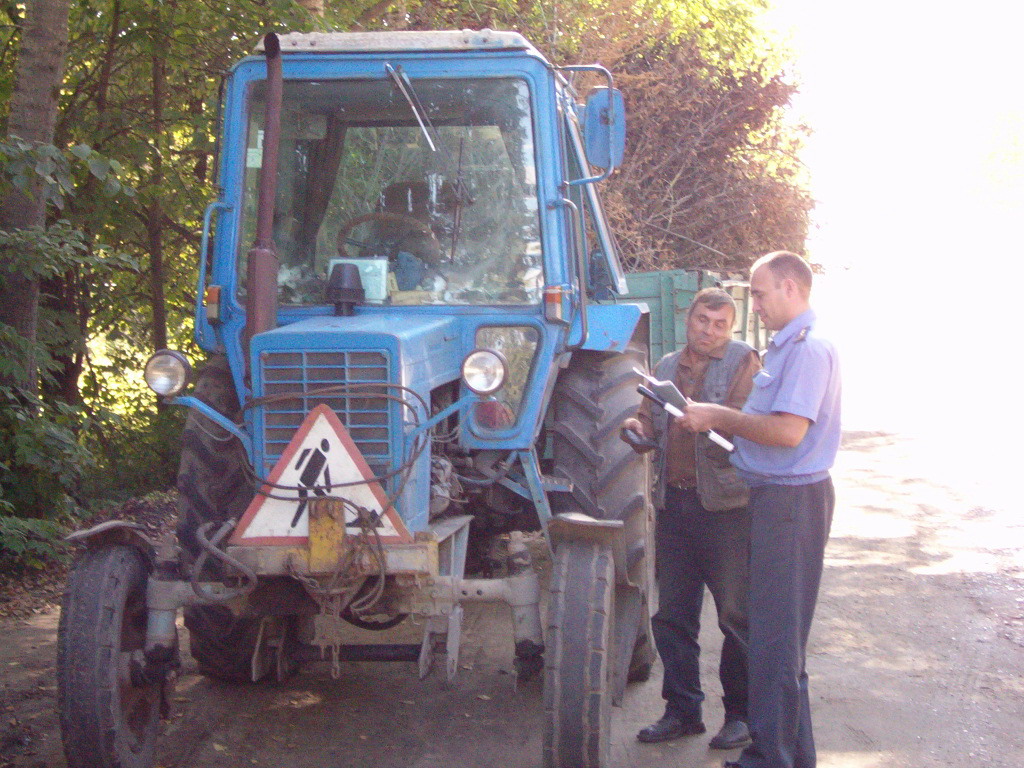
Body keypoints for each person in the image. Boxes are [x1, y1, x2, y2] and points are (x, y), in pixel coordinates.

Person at [676, 252, 841, 768]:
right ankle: (789, 756)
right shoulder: (787, 349)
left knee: (776, 642)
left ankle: (771, 758)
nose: (757, 303)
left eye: (762, 292)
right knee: (778, 640)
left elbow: (789, 432)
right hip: (776, 501)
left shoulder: (810, 351)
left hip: (792, 503)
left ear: (791, 288)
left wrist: (718, 416)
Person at [621, 288, 761, 751]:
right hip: (673, 507)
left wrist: (711, 419)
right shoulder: (663, 367)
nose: (710, 331)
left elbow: (748, 421)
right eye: (703, 320)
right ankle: (682, 711)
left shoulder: (744, 362)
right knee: (673, 617)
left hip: (726, 510)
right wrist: (636, 429)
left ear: (732, 327)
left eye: (720, 324)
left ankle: (741, 716)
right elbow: (645, 417)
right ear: (688, 318)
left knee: (735, 617)